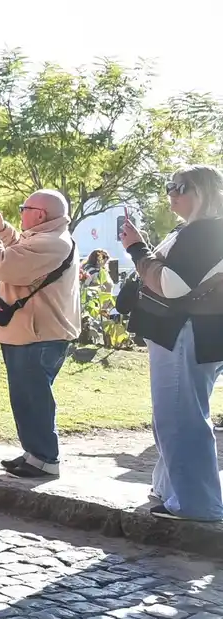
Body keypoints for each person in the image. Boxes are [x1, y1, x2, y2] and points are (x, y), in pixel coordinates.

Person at [120, 164, 223, 521]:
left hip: (186, 331)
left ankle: (197, 504)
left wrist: (136, 250)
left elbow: (174, 285)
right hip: (183, 331)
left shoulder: (207, 232)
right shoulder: (194, 231)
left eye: (181, 186)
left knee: (182, 417)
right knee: (174, 415)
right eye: (170, 186)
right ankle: (172, 490)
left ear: (204, 192)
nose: (172, 193)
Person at [0, 190, 80, 479]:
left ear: (40, 214)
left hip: (39, 334)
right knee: (25, 396)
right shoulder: (47, 238)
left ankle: (45, 458)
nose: (21, 213)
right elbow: (21, 247)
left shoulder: (52, 243)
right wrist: (3, 229)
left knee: (33, 397)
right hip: (31, 332)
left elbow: (6, 264)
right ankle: (34, 454)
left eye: (24, 208)